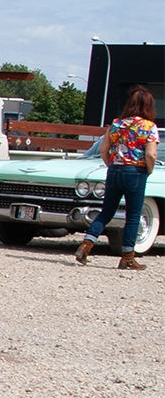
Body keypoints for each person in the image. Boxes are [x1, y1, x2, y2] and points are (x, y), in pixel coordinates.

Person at [75, 84, 158, 270]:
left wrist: (112, 165)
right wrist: (149, 170)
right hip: (136, 172)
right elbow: (151, 155)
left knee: (106, 212)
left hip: (114, 170)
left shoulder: (116, 124)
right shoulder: (149, 127)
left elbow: (103, 150)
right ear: (148, 106)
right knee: (133, 215)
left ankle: (86, 244)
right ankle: (127, 257)